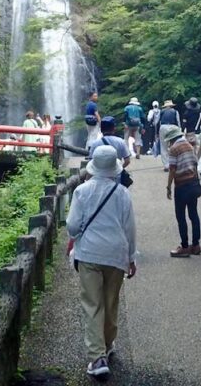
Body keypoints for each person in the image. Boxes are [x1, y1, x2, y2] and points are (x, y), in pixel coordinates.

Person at [67, 145, 137, 380]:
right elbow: (130, 228)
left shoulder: (81, 191)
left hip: (89, 253)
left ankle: (97, 358)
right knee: (110, 301)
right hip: (116, 254)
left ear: (93, 167)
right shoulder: (122, 193)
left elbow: (72, 226)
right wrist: (131, 258)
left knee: (93, 304)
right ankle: (106, 346)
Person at [163, 125, 201, 257]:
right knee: (193, 215)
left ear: (172, 139)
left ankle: (184, 246)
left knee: (181, 216)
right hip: (192, 183)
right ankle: (196, 245)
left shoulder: (174, 149)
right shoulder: (190, 146)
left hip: (181, 185)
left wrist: (169, 186)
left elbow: (172, 169)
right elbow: (195, 163)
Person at [87, 116, 131, 184]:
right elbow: (127, 161)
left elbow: (91, 161)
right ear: (114, 129)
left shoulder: (95, 143)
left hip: (99, 178)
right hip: (116, 178)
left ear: (101, 130)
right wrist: (118, 169)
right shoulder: (120, 142)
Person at [158, 100, 181, 170]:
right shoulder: (175, 111)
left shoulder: (161, 111)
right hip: (173, 127)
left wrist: (157, 132)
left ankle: (166, 165)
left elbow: (158, 122)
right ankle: (174, 163)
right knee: (174, 145)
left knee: (163, 146)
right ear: (171, 106)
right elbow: (178, 121)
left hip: (163, 127)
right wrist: (179, 130)